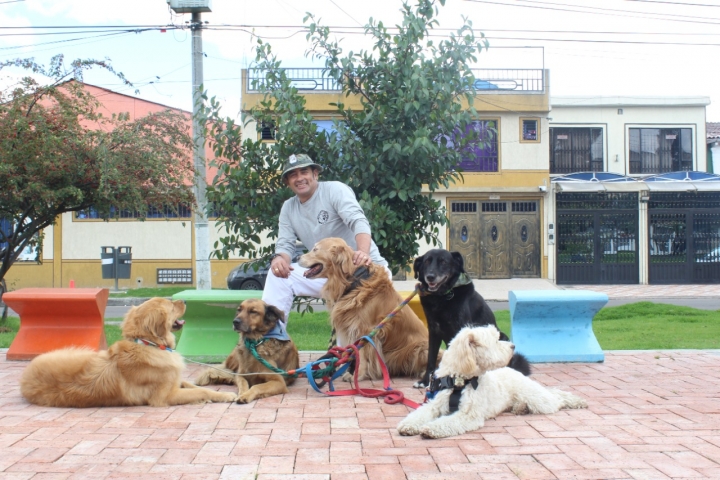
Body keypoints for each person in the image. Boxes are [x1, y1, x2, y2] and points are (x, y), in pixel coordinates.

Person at [262, 153, 391, 325]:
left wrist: (363, 253)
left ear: (315, 173)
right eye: (293, 175)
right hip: (329, 275)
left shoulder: (334, 190)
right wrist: (279, 259)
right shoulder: (288, 207)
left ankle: (350, 350)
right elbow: (285, 244)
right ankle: (271, 338)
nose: (299, 178)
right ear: (287, 182)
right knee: (278, 275)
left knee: (352, 340)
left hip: (363, 270)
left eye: (304, 172)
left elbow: (358, 221)